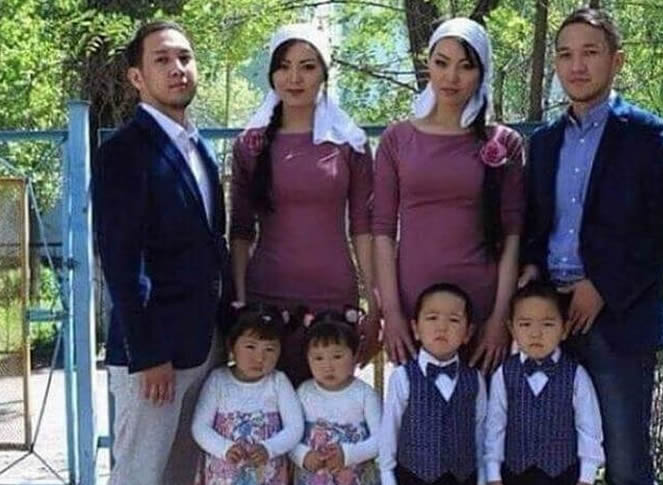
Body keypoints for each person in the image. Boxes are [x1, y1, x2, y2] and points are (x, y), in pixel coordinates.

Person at [519, 8, 663, 485]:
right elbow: (535, 226)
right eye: (565, 55)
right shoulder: (545, 142)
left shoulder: (649, 135)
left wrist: (602, 287)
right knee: (546, 462)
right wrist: (531, 272)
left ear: (616, 61)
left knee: (626, 464)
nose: (577, 66)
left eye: (590, 53)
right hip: (549, 320)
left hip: (619, 322)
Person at [93, 21, 229, 485]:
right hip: (153, 358)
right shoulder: (124, 152)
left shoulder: (199, 149)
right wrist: (148, 352)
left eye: (185, 58)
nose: (177, 68)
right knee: (139, 476)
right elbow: (121, 261)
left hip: (203, 346)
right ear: (137, 77)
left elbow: (212, 245)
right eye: (162, 59)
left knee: (181, 477)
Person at [373, 17, 525, 373]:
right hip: (414, 312)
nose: (451, 77)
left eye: (465, 66)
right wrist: (391, 312)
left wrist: (499, 317)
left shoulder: (504, 142)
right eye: (441, 63)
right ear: (428, 65)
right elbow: (382, 231)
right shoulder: (397, 139)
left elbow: (512, 237)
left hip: (480, 308)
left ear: (482, 72)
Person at [230, 24, 379, 386]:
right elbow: (241, 231)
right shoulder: (249, 146)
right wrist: (240, 300)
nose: (294, 78)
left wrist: (375, 304)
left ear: (324, 73)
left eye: (307, 67)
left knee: (329, 407)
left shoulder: (350, 144)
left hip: (333, 297)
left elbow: (363, 228)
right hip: (266, 297)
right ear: (271, 74)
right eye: (283, 66)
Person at [484, 281, 604, 485]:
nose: (536, 333)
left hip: (564, 475)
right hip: (514, 474)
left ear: (564, 329)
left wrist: (586, 477)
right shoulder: (503, 374)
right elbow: (495, 427)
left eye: (547, 324)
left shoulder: (576, 375)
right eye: (525, 324)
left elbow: (589, 428)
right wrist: (493, 474)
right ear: (512, 329)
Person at [379, 282, 487, 485]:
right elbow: (390, 430)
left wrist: (482, 477)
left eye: (454, 320)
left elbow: (480, 431)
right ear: (415, 328)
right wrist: (387, 476)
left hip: (463, 477)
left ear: (468, 333)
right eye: (432, 318)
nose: (442, 327)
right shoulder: (402, 377)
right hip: (412, 476)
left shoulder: (475, 379)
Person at [191, 304, 304, 485]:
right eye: (250, 346)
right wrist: (224, 448)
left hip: (267, 473)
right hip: (225, 474)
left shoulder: (278, 382)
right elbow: (200, 427)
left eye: (269, 349)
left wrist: (269, 448)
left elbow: (295, 427)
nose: (259, 358)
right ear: (231, 345)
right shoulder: (218, 380)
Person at [290, 310, 381, 485]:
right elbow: (289, 434)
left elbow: (381, 439)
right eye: (318, 358)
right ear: (307, 359)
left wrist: (348, 455)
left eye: (337, 356)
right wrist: (303, 456)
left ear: (354, 355)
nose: (328, 366)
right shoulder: (303, 393)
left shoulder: (365, 394)